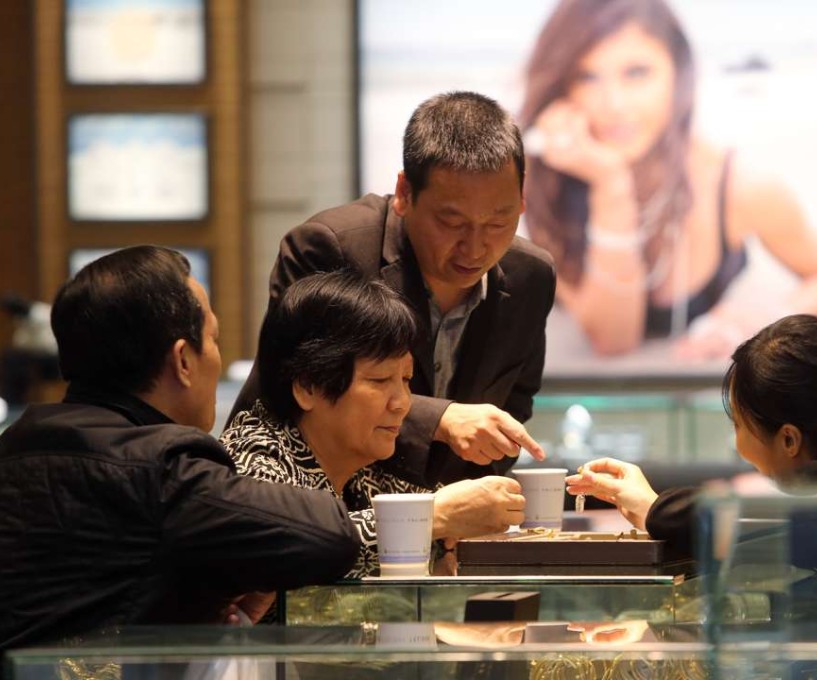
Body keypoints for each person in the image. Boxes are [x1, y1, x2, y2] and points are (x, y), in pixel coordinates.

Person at [0, 246, 365, 652]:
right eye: (212, 338)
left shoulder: (15, 446)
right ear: (183, 361)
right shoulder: (163, 468)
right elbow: (329, 535)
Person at [233, 91, 555, 492]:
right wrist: (441, 419)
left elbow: (512, 408)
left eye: (498, 221)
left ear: (523, 199)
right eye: (451, 221)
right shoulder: (329, 247)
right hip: (304, 503)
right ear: (404, 193)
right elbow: (297, 391)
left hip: (440, 528)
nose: (475, 248)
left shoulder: (531, 276)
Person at [518, 0, 817, 359]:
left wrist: (768, 317)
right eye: (586, 76)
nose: (613, 104)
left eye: (636, 73)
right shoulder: (545, 181)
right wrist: (611, 185)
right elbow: (614, 341)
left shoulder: (742, 187)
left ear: (678, 73)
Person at [221, 271, 526, 579]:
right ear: (308, 386)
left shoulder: (364, 471)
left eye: (406, 380)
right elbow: (282, 548)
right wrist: (432, 517)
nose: (402, 403)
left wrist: (482, 509)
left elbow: (445, 515)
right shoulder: (254, 456)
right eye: (380, 380)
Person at [565, 314, 817, 545]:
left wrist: (653, 508)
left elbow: (741, 512)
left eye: (739, 425)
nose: (737, 441)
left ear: (789, 439)